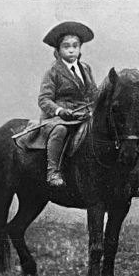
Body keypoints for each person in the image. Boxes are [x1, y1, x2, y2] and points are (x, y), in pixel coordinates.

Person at [37, 21, 98, 187]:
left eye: (75, 46)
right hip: (58, 119)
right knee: (60, 130)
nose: (71, 50)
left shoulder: (85, 69)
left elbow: (93, 93)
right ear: (58, 50)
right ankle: (53, 171)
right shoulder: (53, 72)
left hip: (83, 115)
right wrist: (59, 110)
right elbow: (44, 99)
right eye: (66, 46)